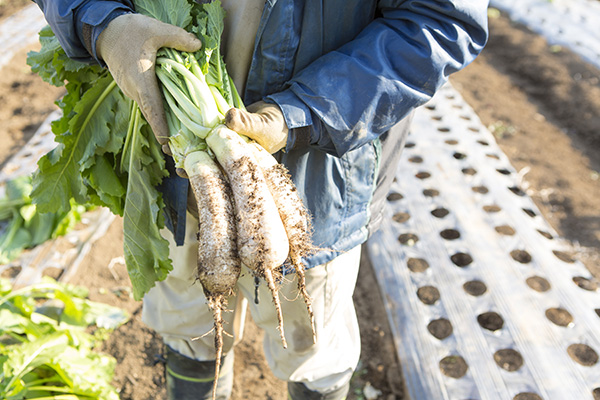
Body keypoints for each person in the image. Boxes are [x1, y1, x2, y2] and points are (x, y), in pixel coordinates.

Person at [33, 0, 489, 399]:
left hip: (314, 177)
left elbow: (440, 20)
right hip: (170, 163)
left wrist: (299, 113)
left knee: (312, 346)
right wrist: (103, 24)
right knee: (189, 328)